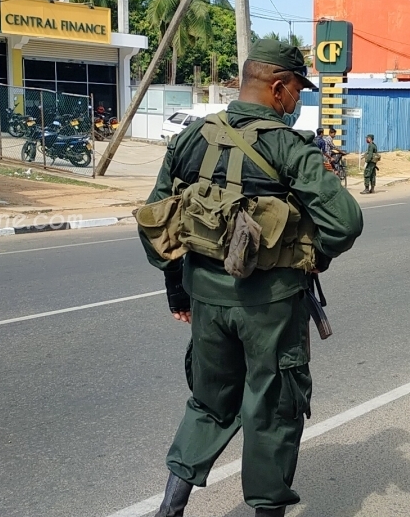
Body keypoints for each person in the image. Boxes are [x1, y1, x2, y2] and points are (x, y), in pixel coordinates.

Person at [138, 39, 364, 517]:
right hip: (272, 306)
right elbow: (345, 223)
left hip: (205, 300)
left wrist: (176, 287)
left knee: (209, 402)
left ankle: (169, 509)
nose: (298, 101)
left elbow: (156, 220)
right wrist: (314, 258)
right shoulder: (289, 146)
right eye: (297, 91)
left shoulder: (191, 138)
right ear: (278, 87)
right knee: (273, 411)